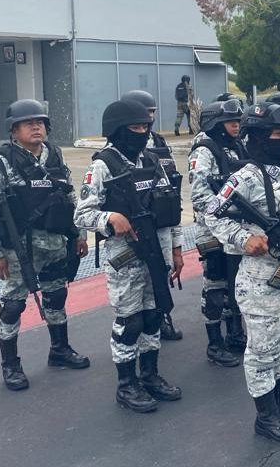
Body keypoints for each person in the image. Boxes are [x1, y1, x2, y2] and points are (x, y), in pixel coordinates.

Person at [204, 101, 280, 444]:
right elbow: (212, 213)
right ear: (257, 137)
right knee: (262, 350)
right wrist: (243, 238)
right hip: (261, 279)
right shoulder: (246, 176)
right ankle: (266, 415)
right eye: (276, 134)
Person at [75, 99, 184, 413]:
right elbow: (82, 214)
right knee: (130, 321)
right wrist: (109, 219)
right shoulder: (102, 165)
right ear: (118, 130)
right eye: (135, 128)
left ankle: (150, 374)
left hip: (157, 254)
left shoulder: (152, 160)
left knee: (153, 315)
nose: (142, 132)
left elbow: (170, 209)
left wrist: (176, 249)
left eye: (145, 127)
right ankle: (126, 383)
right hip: (125, 259)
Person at [0, 100, 90, 391]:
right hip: (19, 250)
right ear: (14, 131)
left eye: (40, 122)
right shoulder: (1, 163)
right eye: (29, 123)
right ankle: (11, 365)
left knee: (56, 296)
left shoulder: (54, 156)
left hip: (55, 243)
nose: (37, 127)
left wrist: (79, 235)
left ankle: (60, 350)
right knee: (13, 306)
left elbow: (70, 197)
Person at [188, 99, 249, 367]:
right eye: (230, 121)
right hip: (212, 230)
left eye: (238, 120)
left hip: (235, 228)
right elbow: (200, 196)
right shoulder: (204, 151)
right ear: (215, 123)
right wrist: (228, 209)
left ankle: (235, 332)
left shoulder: (235, 147)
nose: (236, 125)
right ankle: (215, 342)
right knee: (215, 285)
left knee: (235, 281)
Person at [121, 90, 184, 342]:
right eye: (143, 114)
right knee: (133, 308)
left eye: (151, 113)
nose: (148, 118)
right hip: (133, 239)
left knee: (159, 284)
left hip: (162, 227)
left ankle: (162, 320)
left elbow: (172, 197)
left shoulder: (158, 144)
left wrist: (177, 247)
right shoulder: (116, 154)